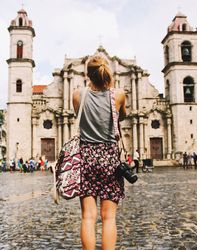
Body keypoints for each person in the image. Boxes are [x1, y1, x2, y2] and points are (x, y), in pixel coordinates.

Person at [73, 56, 126, 250]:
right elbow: (122, 116)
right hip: (109, 159)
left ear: (87, 75)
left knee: (88, 215)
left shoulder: (78, 95)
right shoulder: (118, 95)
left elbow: (78, 114)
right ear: (107, 73)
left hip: (85, 157)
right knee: (109, 217)